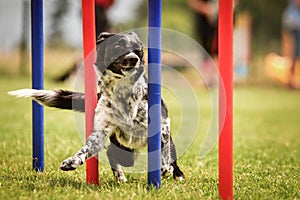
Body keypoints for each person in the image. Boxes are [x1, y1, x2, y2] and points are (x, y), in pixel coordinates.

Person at [282, 0, 300, 89]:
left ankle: (290, 79)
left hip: (291, 21)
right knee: (294, 52)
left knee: (293, 52)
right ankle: (290, 80)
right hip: (294, 22)